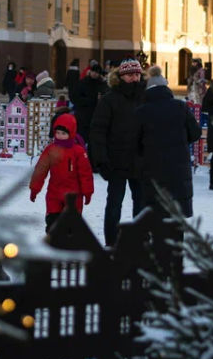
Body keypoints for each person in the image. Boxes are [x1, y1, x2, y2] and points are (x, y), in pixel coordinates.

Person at [90, 58, 147, 247]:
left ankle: (140, 241)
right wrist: (101, 160)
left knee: (142, 206)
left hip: (140, 162)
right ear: (121, 77)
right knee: (114, 205)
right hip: (116, 162)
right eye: (130, 75)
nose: (135, 78)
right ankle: (111, 243)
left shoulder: (145, 98)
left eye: (137, 74)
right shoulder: (109, 100)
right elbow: (98, 131)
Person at [135, 70, 201, 218]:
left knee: (155, 214)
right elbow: (195, 133)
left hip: (152, 168)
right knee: (177, 216)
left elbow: (135, 141)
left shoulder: (141, 111)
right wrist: (181, 141)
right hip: (179, 168)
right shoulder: (181, 107)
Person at [30, 113, 94, 232]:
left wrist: (88, 192)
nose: (59, 136)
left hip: (73, 195)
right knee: (52, 221)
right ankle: (53, 243)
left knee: (71, 224)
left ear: (71, 133)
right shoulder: (51, 150)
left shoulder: (78, 151)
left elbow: (85, 174)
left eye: (63, 133)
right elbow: (40, 170)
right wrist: (34, 189)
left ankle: (69, 244)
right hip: (54, 193)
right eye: (57, 133)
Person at [73, 61, 108, 143]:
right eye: (93, 71)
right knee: (82, 138)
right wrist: (91, 100)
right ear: (90, 71)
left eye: (97, 72)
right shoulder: (83, 82)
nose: (95, 74)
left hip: (95, 114)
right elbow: (76, 98)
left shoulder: (102, 84)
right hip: (83, 114)